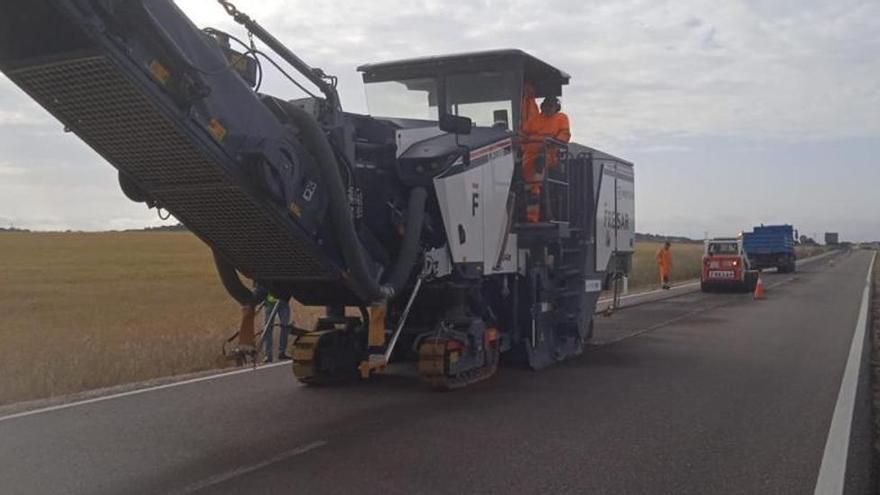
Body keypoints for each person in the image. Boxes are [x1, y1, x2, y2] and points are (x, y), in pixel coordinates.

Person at [521, 95, 571, 222]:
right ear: (542, 106)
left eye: (551, 105)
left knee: (535, 182)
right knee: (527, 183)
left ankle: (533, 217)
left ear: (556, 107)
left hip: (549, 156)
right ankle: (528, 209)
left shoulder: (561, 118)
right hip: (528, 157)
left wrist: (551, 143)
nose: (548, 108)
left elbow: (564, 135)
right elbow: (523, 134)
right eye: (546, 105)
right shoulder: (534, 119)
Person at [254, 284, 292, 362]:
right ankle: (268, 355)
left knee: (285, 326)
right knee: (268, 329)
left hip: (283, 301)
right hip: (270, 303)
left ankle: (281, 352)